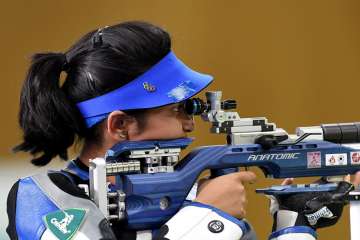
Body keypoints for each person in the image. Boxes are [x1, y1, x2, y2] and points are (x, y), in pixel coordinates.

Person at [7, 21, 359, 240]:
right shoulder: (44, 199)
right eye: (178, 108)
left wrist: (292, 224)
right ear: (120, 125)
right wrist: (207, 219)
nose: (192, 120)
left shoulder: (187, 196)